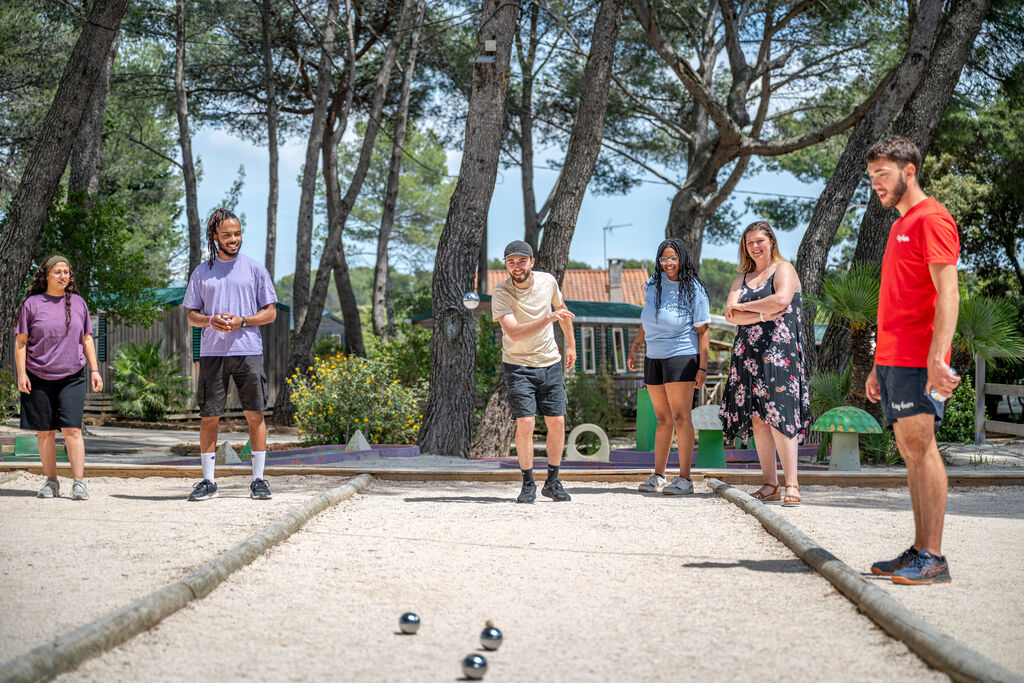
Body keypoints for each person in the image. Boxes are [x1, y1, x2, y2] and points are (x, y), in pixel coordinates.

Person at [864, 136, 960, 585]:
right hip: (893, 359)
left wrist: (939, 359)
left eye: (882, 175)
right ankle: (920, 549)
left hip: (919, 361)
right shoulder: (899, 225)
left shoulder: (932, 219)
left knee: (923, 449)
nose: (875, 185)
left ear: (909, 171)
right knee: (910, 453)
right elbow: (895, 301)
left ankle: (934, 558)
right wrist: (876, 364)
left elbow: (949, 294)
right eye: (871, 178)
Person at [183, 208, 278, 501]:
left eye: (237, 234)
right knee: (209, 416)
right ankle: (209, 482)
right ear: (215, 237)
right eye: (227, 235)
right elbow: (191, 316)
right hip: (212, 353)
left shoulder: (255, 269)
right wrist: (211, 320)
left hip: (248, 351)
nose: (234, 239)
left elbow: (271, 312)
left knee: (255, 414)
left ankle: (259, 480)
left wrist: (243, 321)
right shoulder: (202, 272)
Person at [720, 221, 810, 506]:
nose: (755, 247)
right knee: (758, 419)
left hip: (778, 353)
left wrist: (745, 308)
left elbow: (782, 299)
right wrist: (762, 313)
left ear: (771, 241)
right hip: (747, 354)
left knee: (780, 416)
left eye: (760, 241)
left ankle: (792, 484)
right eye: (750, 243)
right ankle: (770, 483)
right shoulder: (742, 277)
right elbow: (729, 314)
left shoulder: (784, 268)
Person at [491, 240, 576, 503]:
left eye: (521, 261)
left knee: (557, 422)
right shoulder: (501, 293)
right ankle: (528, 483)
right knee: (526, 423)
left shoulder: (548, 281)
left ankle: (553, 481)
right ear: (506, 265)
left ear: (531, 262)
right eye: (511, 262)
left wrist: (571, 345)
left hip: (549, 363)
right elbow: (515, 333)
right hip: (518, 366)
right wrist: (547, 318)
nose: (516, 267)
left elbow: (562, 312)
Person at [13, 255, 103, 500]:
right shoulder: (31, 304)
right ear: (46, 275)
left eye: (66, 272)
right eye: (58, 272)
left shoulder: (78, 303)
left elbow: (86, 339)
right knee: (45, 432)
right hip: (38, 376)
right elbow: (20, 342)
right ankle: (51, 481)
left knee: (72, 429)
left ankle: (79, 483)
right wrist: (21, 374)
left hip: (72, 376)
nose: (63, 276)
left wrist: (95, 370)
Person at [627, 239, 710, 495]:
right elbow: (647, 317)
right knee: (662, 418)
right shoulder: (653, 284)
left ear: (682, 259)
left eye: (673, 258)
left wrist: (703, 368)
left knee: (680, 417)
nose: (669, 263)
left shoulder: (693, 288)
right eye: (664, 259)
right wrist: (636, 346)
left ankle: (685, 479)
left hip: (681, 355)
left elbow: (704, 329)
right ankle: (658, 476)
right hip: (654, 356)